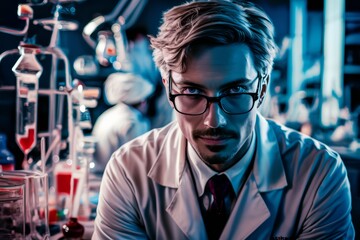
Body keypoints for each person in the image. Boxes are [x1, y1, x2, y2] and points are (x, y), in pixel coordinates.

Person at [93, 1, 355, 239]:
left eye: (235, 91)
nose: (213, 121)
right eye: (192, 91)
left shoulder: (318, 174)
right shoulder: (129, 171)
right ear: (167, 87)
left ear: (262, 88)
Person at [92, 72, 155, 171]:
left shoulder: (107, 115)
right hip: (116, 180)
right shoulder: (133, 123)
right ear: (143, 101)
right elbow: (136, 164)